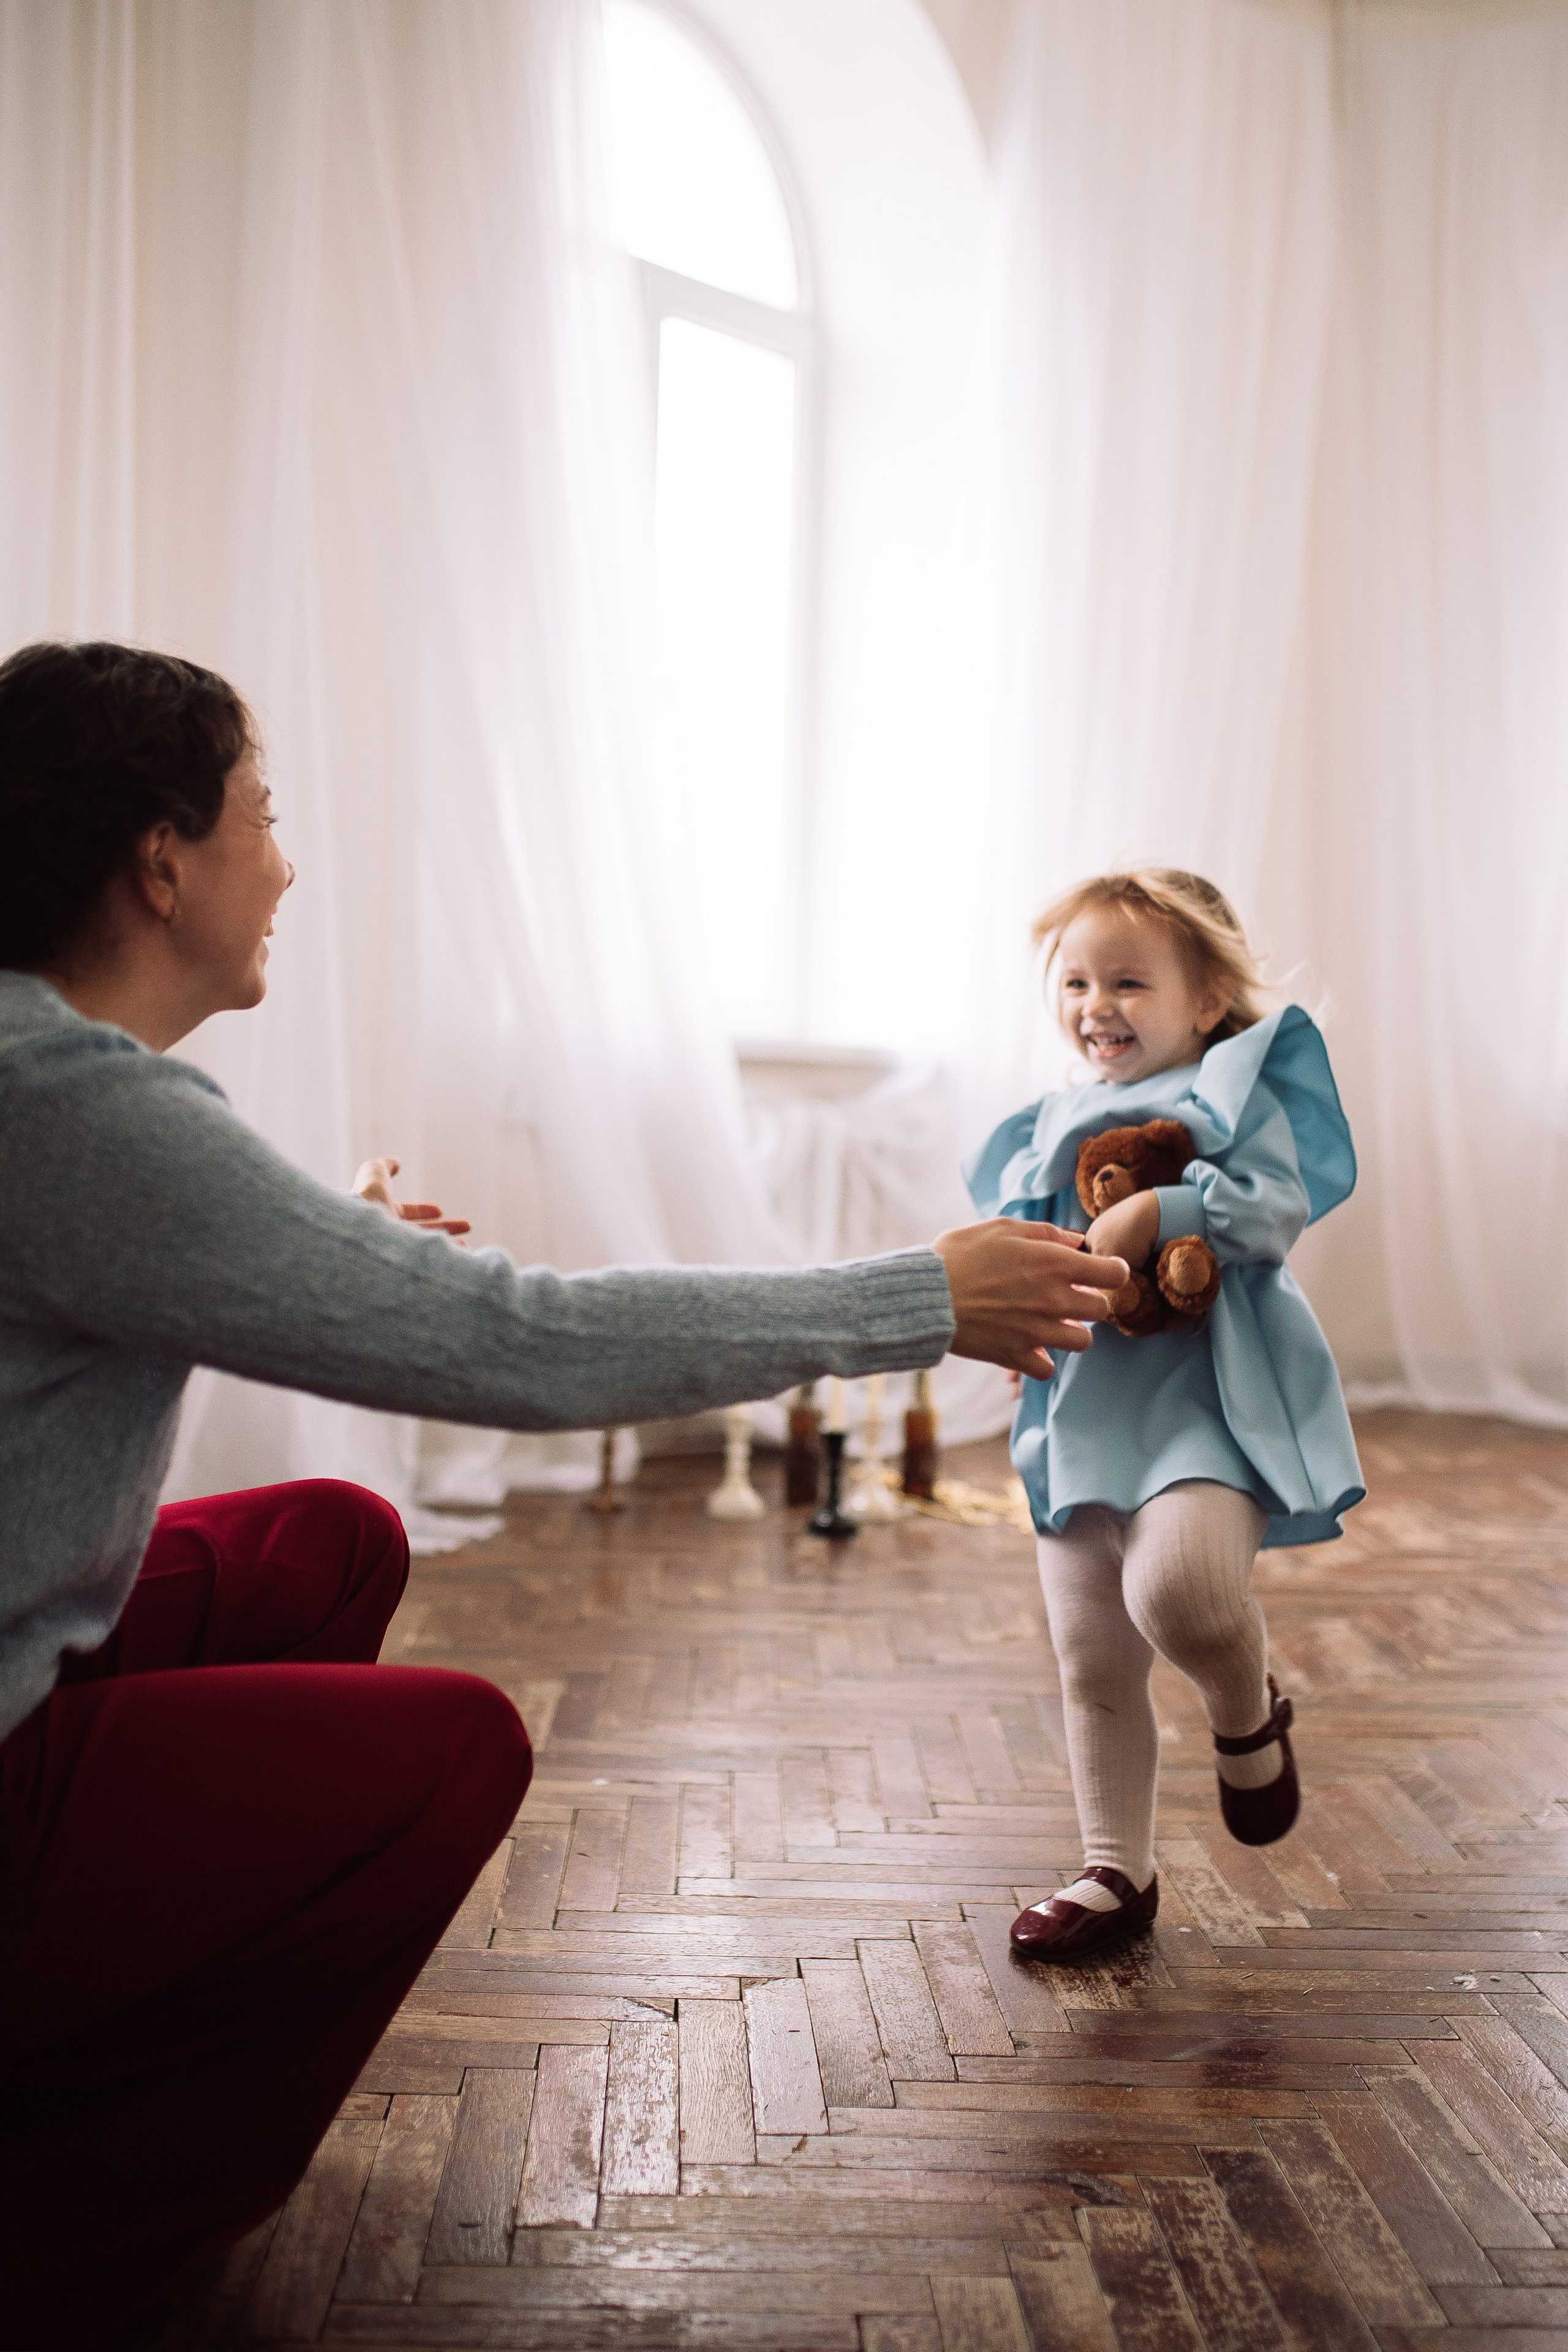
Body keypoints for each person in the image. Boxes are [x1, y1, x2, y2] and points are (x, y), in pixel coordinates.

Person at [0, 640, 1131, 2349]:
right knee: (456, 1747)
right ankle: (70, 2229)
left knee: (332, 1538)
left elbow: (115, 1265)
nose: (287, 865)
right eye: (264, 817)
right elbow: (524, 1348)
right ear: (162, 860)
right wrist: (917, 1298)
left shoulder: (47, 1081)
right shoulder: (81, 1112)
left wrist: (336, 1246)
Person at [963, 869, 1363, 1965]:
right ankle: (1114, 1870)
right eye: (1080, 980)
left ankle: (1246, 1707)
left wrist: (1163, 1206)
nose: (1099, 1003)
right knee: (1092, 1657)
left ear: (1202, 1004)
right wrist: (1017, 1330)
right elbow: (1026, 1253)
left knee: (1179, 1590)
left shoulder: (1234, 1102)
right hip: (1080, 1406)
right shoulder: (1044, 1127)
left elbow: (1273, 1208)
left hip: (1204, 1407)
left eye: (1131, 981)